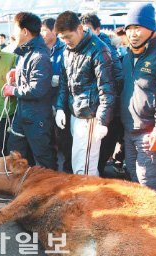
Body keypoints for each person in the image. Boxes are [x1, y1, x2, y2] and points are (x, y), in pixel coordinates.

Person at [120, 3, 156, 193]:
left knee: (148, 183)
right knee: (134, 178)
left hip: (149, 131)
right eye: (129, 28)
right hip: (129, 129)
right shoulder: (128, 55)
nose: (133, 33)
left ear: (151, 28)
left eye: (138, 27)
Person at [54, 11, 117, 176]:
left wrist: (102, 120)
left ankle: (88, 200)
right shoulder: (67, 50)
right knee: (78, 162)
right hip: (76, 114)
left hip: (91, 116)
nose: (66, 41)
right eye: (62, 38)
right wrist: (60, 107)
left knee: (86, 167)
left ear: (80, 29)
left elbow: (107, 88)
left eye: (68, 36)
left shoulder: (99, 50)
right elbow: (64, 82)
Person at [3, 12, 56, 169]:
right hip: (24, 114)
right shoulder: (26, 52)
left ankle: (50, 191)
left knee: (43, 158)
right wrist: (15, 73)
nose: (13, 34)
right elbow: (29, 76)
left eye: (15, 29)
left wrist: (12, 90)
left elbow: (37, 89)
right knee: (15, 153)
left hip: (37, 118)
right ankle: (21, 188)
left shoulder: (40, 55)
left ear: (25, 31)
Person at [80, 12, 124, 176]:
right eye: (83, 30)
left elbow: (117, 80)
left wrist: (107, 105)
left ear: (97, 30)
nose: (86, 33)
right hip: (95, 107)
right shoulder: (84, 47)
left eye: (89, 29)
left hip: (108, 107)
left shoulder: (106, 49)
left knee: (103, 147)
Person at [41, 17, 72, 173]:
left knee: (65, 139)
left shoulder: (64, 48)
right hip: (44, 102)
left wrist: (59, 79)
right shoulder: (40, 48)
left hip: (62, 102)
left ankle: (68, 171)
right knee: (47, 140)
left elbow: (67, 77)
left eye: (44, 30)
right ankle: (51, 171)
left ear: (54, 30)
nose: (42, 33)